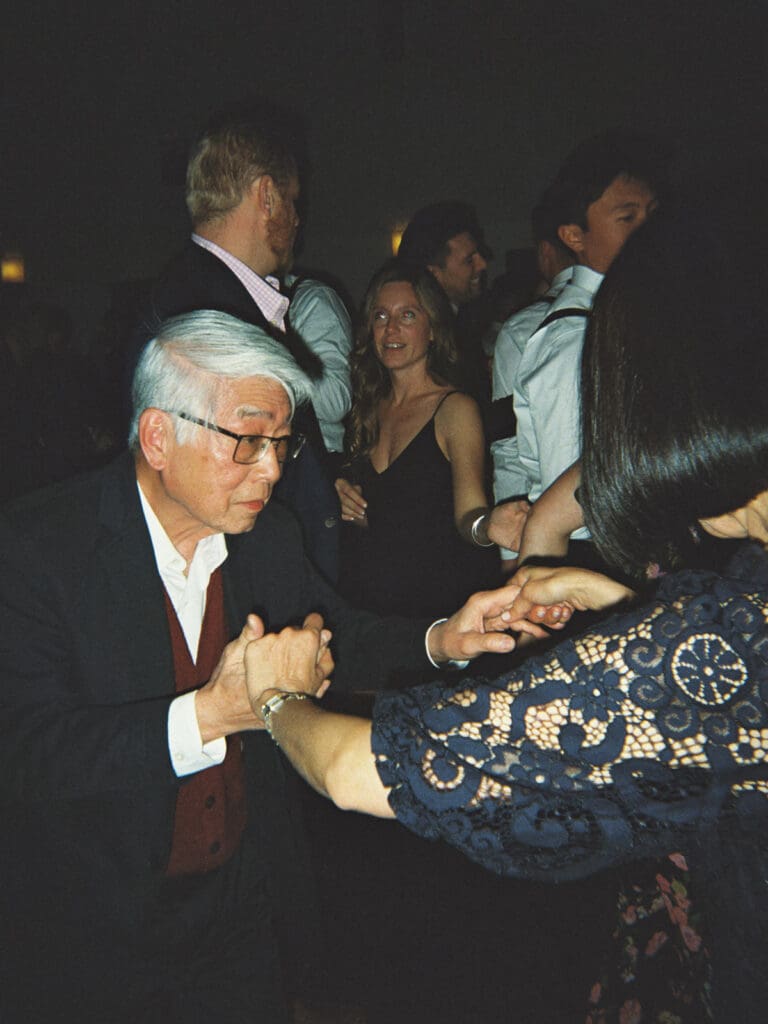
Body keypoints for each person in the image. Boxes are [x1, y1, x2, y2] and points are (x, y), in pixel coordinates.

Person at [238, 205, 768, 1022]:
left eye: (621, 382)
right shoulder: (731, 602)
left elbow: (366, 769)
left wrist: (268, 696)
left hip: (420, 639)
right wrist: (619, 602)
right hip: (384, 624)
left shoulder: (709, 638)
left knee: (435, 864)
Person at [0, 308, 528, 1023]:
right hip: (95, 918)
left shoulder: (265, 536)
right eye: (248, 440)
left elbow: (336, 628)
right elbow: (27, 751)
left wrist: (444, 637)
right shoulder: (37, 550)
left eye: (282, 443)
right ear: (158, 436)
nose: (273, 470)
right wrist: (206, 716)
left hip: (241, 897)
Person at [130, 105, 341, 580]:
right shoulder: (204, 312)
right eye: (293, 201)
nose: (296, 219)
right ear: (266, 196)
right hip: (246, 578)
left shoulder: (201, 289)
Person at [508, 129, 667, 563]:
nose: (648, 230)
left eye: (652, 213)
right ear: (574, 237)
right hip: (594, 556)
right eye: (627, 217)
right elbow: (572, 503)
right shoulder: (575, 339)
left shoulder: (625, 314)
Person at [335, 259, 523, 620]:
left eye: (407, 316)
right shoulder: (366, 407)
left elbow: (469, 513)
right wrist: (340, 494)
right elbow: (380, 509)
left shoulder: (455, 409)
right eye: (380, 316)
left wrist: (489, 526)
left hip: (436, 607)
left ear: (433, 329)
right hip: (372, 607)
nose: (391, 329)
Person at [491, 193, 575, 568]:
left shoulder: (522, 329)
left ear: (545, 253)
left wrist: (512, 555)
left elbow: (508, 444)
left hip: (552, 535)